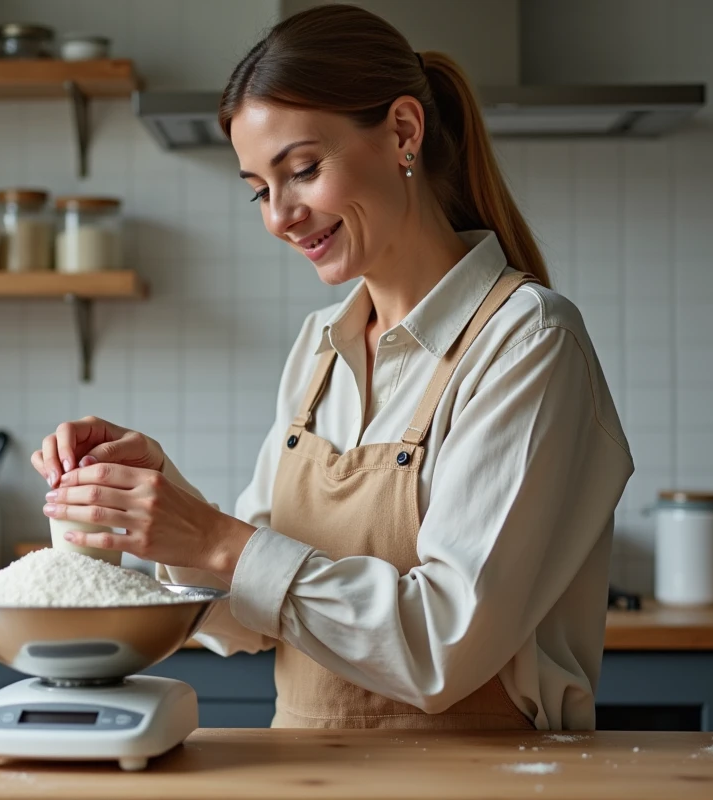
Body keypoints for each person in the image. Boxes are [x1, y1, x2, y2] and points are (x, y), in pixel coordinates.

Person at [33, 4, 633, 731]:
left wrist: (214, 538)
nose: (279, 215)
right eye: (259, 187)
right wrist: (160, 503)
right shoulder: (322, 347)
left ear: (403, 132)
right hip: (305, 776)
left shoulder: (527, 342)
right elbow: (253, 617)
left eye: (303, 170)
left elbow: (440, 648)